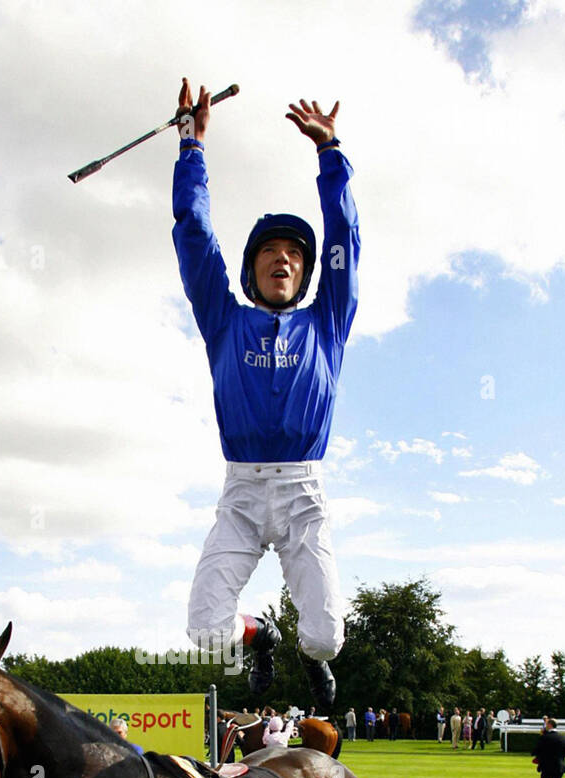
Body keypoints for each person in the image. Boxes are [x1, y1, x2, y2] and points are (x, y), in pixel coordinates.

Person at [172, 80, 360, 715]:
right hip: (243, 492)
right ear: (252, 271)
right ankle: (263, 636)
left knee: (328, 637)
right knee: (203, 632)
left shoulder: (326, 323)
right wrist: (191, 148)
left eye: (293, 257)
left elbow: (344, 244)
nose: (283, 261)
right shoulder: (224, 320)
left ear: (304, 275)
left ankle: (309, 657)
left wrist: (330, 154)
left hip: (304, 493)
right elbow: (195, 237)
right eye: (270, 254)